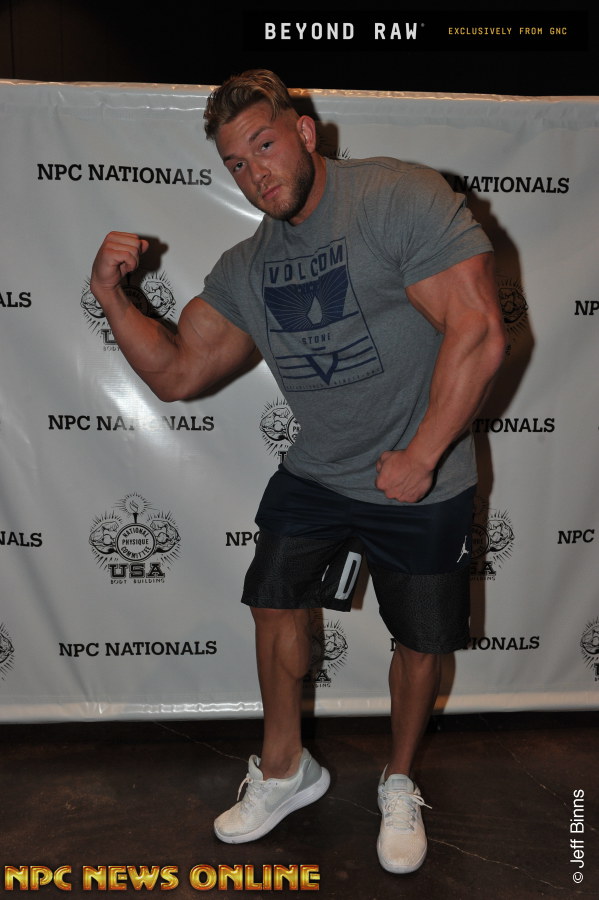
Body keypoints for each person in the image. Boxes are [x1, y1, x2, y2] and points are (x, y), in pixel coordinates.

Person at [90, 69, 506, 874]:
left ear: (305, 133)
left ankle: (398, 779)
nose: (255, 172)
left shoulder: (393, 198)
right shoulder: (249, 266)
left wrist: (422, 456)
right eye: (236, 163)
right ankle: (287, 770)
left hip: (422, 469)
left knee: (419, 641)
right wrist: (111, 295)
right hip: (320, 471)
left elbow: (479, 329)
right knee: (272, 599)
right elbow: (177, 372)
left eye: (264, 145)